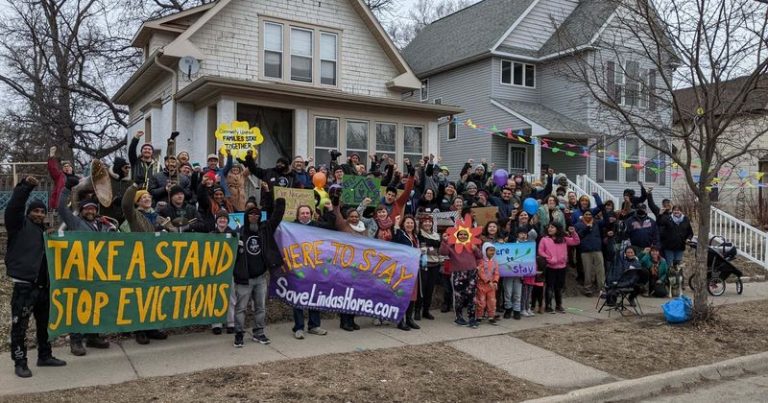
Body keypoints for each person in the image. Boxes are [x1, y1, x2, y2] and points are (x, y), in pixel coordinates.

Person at [7, 176, 67, 378]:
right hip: (24, 287)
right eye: (35, 211)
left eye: (42, 212)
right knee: (20, 327)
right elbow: (14, 207)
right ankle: (20, 362)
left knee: (45, 325)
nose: (39, 214)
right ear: (28, 212)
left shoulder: (45, 232)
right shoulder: (18, 225)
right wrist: (26, 186)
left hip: (44, 287)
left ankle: (45, 355)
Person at [58, 185, 115, 356]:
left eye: (93, 208)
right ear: (81, 211)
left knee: (96, 304)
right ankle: (76, 340)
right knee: (79, 306)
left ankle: (92, 336)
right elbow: (60, 207)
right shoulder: (75, 222)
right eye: (87, 208)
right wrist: (66, 189)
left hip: (99, 271)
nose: (90, 211)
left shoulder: (102, 224)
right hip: (80, 272)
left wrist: (112, 231)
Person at [233, 198, 286, 348]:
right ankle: (238, 334)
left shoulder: (264, 230)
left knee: (260, 307)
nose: (254, 217)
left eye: (257, 215)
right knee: (241, 308)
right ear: (246, 217)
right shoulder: (239, 233)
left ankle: (259, 332)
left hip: (261, 277)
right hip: (244, 279)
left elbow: (276, 217)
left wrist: (280, 202)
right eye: (251, 215)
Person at [121, 184, 168, 343]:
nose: (147, 198)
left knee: (153, 294)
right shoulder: (134, 215)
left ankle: (152, 327)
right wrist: (133, 187)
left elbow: (174, 231)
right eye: (143, 197)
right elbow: (126, 204)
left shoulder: (158, 216)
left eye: (148, 196)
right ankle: (139, 330)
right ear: (137, 202)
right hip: (140, 260)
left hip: (156, 261)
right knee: (139, 296)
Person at [291, 205, 329, 339]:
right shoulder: (290, 227)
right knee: (298, 298)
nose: (305, 215)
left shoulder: (317, 226)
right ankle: (299, 327)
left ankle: (314, 326)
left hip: (314, 268)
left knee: (314, 296)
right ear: (298, 215)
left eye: (307, 213)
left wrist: (330, 209)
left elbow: (332, 226)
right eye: (302, 213)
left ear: (311, 214)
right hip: (298, 267)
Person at [440, 229, 483, 328]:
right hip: (458, 273)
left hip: (471, 273)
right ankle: (458, 317)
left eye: (465, 234)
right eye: (461, 234)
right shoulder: (452, 245)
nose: (463, 236)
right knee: (459, 296)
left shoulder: (472, 245)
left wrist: (475, 249)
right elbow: (443, 252)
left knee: (472, 296)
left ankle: (472, 318)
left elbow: (480, 256)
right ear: (457, 236)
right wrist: (445, 241)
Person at [538, 223, 580, 313]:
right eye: (549, 227)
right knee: (550, 286)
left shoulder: (564, 239)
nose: (550, 229)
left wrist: (573, 233)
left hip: (562, 266)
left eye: (552, 227)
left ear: (557, 229)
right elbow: (540, 251)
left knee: (559, 287)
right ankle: (548, 306)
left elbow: (576, 241)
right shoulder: (544, 239)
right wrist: (549, 258)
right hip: (550, 267)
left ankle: (558, 305)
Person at [210, 210, 237, 335]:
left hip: (228, 271)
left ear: (228, 220)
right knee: (215, 297)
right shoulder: (210, 235)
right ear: (216, 220)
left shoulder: (233, 235)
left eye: (225, 218)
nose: (222, 220)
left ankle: (230, 322)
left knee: (230, 297)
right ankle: (216, 324)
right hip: (214, 272)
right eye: (220, 218)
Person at [392, 215, 421, 331]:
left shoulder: (415, 236)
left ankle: (409, 318)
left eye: (412, 223)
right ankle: (400, 320)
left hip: (414, 268)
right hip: (403, 268)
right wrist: (396, 223)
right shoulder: (400, 234)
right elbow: (394, 239)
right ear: (403, 224)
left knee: (412, 295)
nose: (410, 225)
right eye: (407, 223)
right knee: (402, 294)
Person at [416, 214, 441, 321]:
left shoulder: (436, 235)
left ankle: (426, 310)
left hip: (435, 265)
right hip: (423, 265)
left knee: (430, 289)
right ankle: (417, 310)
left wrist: (429, 244)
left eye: (429, 221)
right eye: (425, 221)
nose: (427, 223)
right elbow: (427, 244)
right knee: (421, 289)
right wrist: (433, 245)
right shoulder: (419, 233)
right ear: (421, 223)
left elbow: (437, 246)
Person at [575, 210, 605, 295]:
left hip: (597, 249)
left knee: (600, 270)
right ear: (583, 215)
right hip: (585, 250)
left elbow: (606, 220)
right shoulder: (578, 224)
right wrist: (587, 228)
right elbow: (578, 236)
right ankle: (587, 288)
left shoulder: (597, 223)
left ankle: (602, 289)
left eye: (590, 214)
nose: (588, 216)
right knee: (587, 271)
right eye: (586, 214)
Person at [47, 146, 80, 211]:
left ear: (72, 168)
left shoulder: (78, 179)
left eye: (68, 166)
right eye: (64, 167)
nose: (66, 167)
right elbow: (52, 169)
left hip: (75, 206)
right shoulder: (59, 176)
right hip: (61, 205)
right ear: (62, 169)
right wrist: (51, 157)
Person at [475, 243, 500, 324]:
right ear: (485, 251)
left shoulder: (495, 262)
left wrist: (495, 281)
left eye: (493, 251)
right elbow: (480, 272)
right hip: (482, 285)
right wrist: (488, 281)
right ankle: (479, 316)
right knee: (481, 301)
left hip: (492, 286)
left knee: (492, 301)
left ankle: (491, 316)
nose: (492, 252)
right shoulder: (481, 261)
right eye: (490, 250)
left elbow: (496, 273)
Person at [103, 157, 133, 224]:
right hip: (107, 216)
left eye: (129, 168)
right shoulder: (105, 179)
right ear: (119, 167)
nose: (128, 170)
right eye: (126, 167)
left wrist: (124, 200)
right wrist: (113, 199)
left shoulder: (130, 183)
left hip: (124, 217)